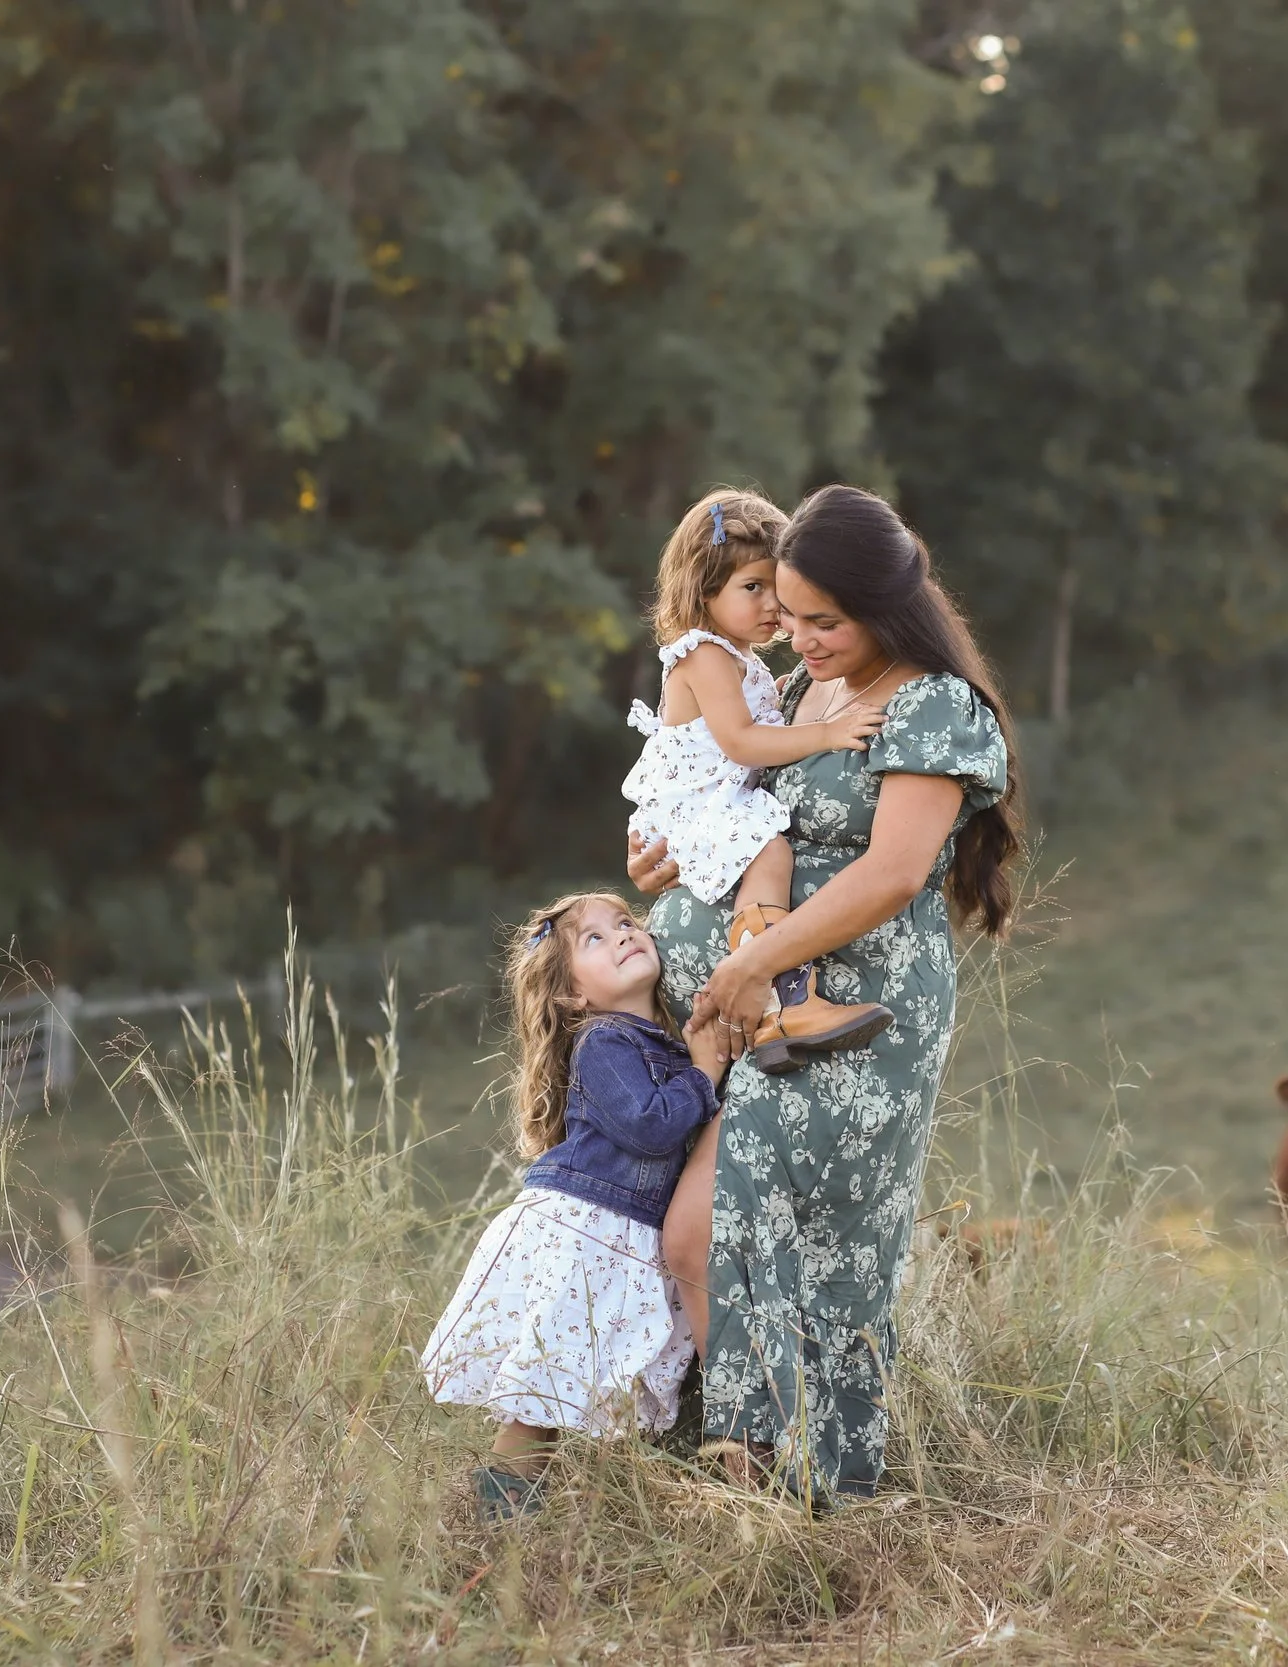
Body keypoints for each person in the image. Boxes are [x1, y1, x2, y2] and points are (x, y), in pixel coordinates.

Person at [634, 483, 1021, 1500]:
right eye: (788, 613)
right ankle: (743, 1471)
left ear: (882, 608)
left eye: (822, 619)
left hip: (856, 1011)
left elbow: (892, 871)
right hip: (757, 1015)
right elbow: (754, 818)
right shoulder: (810, 691)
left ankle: (817, 1492)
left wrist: (756, 957)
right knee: (696, 1231)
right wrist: (672, 858)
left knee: (812, 1242)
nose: (795, 637)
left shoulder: (930, 700)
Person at [419, 893, 728, 1523]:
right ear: (573, 999)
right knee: (541, 1400)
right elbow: (649, 1126)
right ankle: (496, 1520)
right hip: (587, 1233)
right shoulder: (605, 1043)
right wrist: (705, 1073)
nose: (621, 936)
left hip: (618, 1236)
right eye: (594, 939)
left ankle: (573, 1515)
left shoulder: (654, 1040)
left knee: (571, 1391)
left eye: (625, 923)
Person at [622, 489, 895, 1074]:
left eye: (778, 587)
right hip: (703, 805)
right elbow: (741, 742)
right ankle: (785, 999)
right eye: (753, 588)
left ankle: (780, 1000)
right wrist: (829, 734)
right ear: (703, 591)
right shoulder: (703, 656)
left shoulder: (748, 662)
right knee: (769, 851)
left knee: (766, 851)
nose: (774, 604)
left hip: (719, 801)